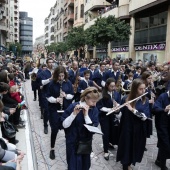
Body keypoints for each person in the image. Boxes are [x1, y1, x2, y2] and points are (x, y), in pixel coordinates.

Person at [61, 87, 100, 170]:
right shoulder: (73, 106)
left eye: (96, 101)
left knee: (85, 166)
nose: (95, 104)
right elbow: (64, 125)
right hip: (72, 144)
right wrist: (73, 114)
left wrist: (86, 115)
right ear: (86, 98)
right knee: (73, 167)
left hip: (85, 145)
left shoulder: (94, 110)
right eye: (93, 101)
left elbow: (93, 129)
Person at [116, 79, 150, 170]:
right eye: (140, 89)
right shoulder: (125, 98)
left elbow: (145, 117)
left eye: (144, 89)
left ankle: (129, 164)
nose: (143, 91)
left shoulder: (145, 100)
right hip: (127, 128)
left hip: (138, 130)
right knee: (126, 148)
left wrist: (132, 109)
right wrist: (116, 111)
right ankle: (125, 166)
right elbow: (120, 116)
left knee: (135, 148)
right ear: (135, 89)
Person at [46, 66, 74, 160]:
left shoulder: (68, 83)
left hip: (65, 109)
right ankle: (52, 148)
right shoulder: (51, 84)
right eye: (59, 76)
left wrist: (65, 96)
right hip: (54, 110)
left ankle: (69, 147)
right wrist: (56, 100)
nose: (61, 78)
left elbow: (72, 96)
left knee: (68, 129)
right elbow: (48, 97)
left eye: (62, 76)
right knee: (54, 130)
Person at [97, 78, 121, 160]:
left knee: (112, 130)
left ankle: (110, 143)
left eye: (114, 86)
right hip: (104, 117)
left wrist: (118, 106)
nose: (113, 88)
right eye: (111, 86)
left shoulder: (116, 94)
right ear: (107, 86)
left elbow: (118, 102)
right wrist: (110, 109)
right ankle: (105, 151)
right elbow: (99, 107)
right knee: (106, 133)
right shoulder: (102, 94)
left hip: (112, 116)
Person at [153, 90, 170, 170]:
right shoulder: (163, 96)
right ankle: (162, 165)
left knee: (164, 142)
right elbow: (155, 108)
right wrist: (164, 109)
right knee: (165, 144)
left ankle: (158, 160)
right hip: (162, 124)